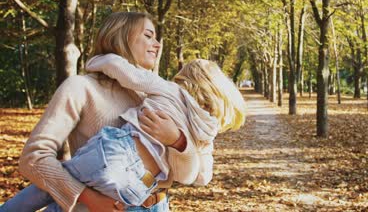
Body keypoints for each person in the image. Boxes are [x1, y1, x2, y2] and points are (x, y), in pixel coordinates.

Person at [0, 12, 218, 212]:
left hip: (158, 206)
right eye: (149, 36)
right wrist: (87, 198)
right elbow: (33, 158)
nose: (157, 45)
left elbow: (192, 177)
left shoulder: (160, 96)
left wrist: (178, 141)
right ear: (120, 37)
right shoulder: (81, 87)